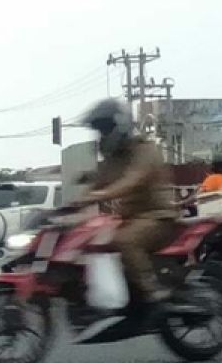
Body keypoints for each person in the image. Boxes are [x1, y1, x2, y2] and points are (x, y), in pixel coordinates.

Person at [74, 98, 178, 305]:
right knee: (89, 242)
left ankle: (152, 289)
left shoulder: (145, 151)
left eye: (105, 129)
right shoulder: (114, 158)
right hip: (129, 219)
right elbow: (99, 180)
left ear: (120, 125)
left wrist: (98, 196)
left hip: (157, 217)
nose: (102, 135)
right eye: (99, 131)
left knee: (125, 240)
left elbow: (133, 180)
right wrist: (73, 204)